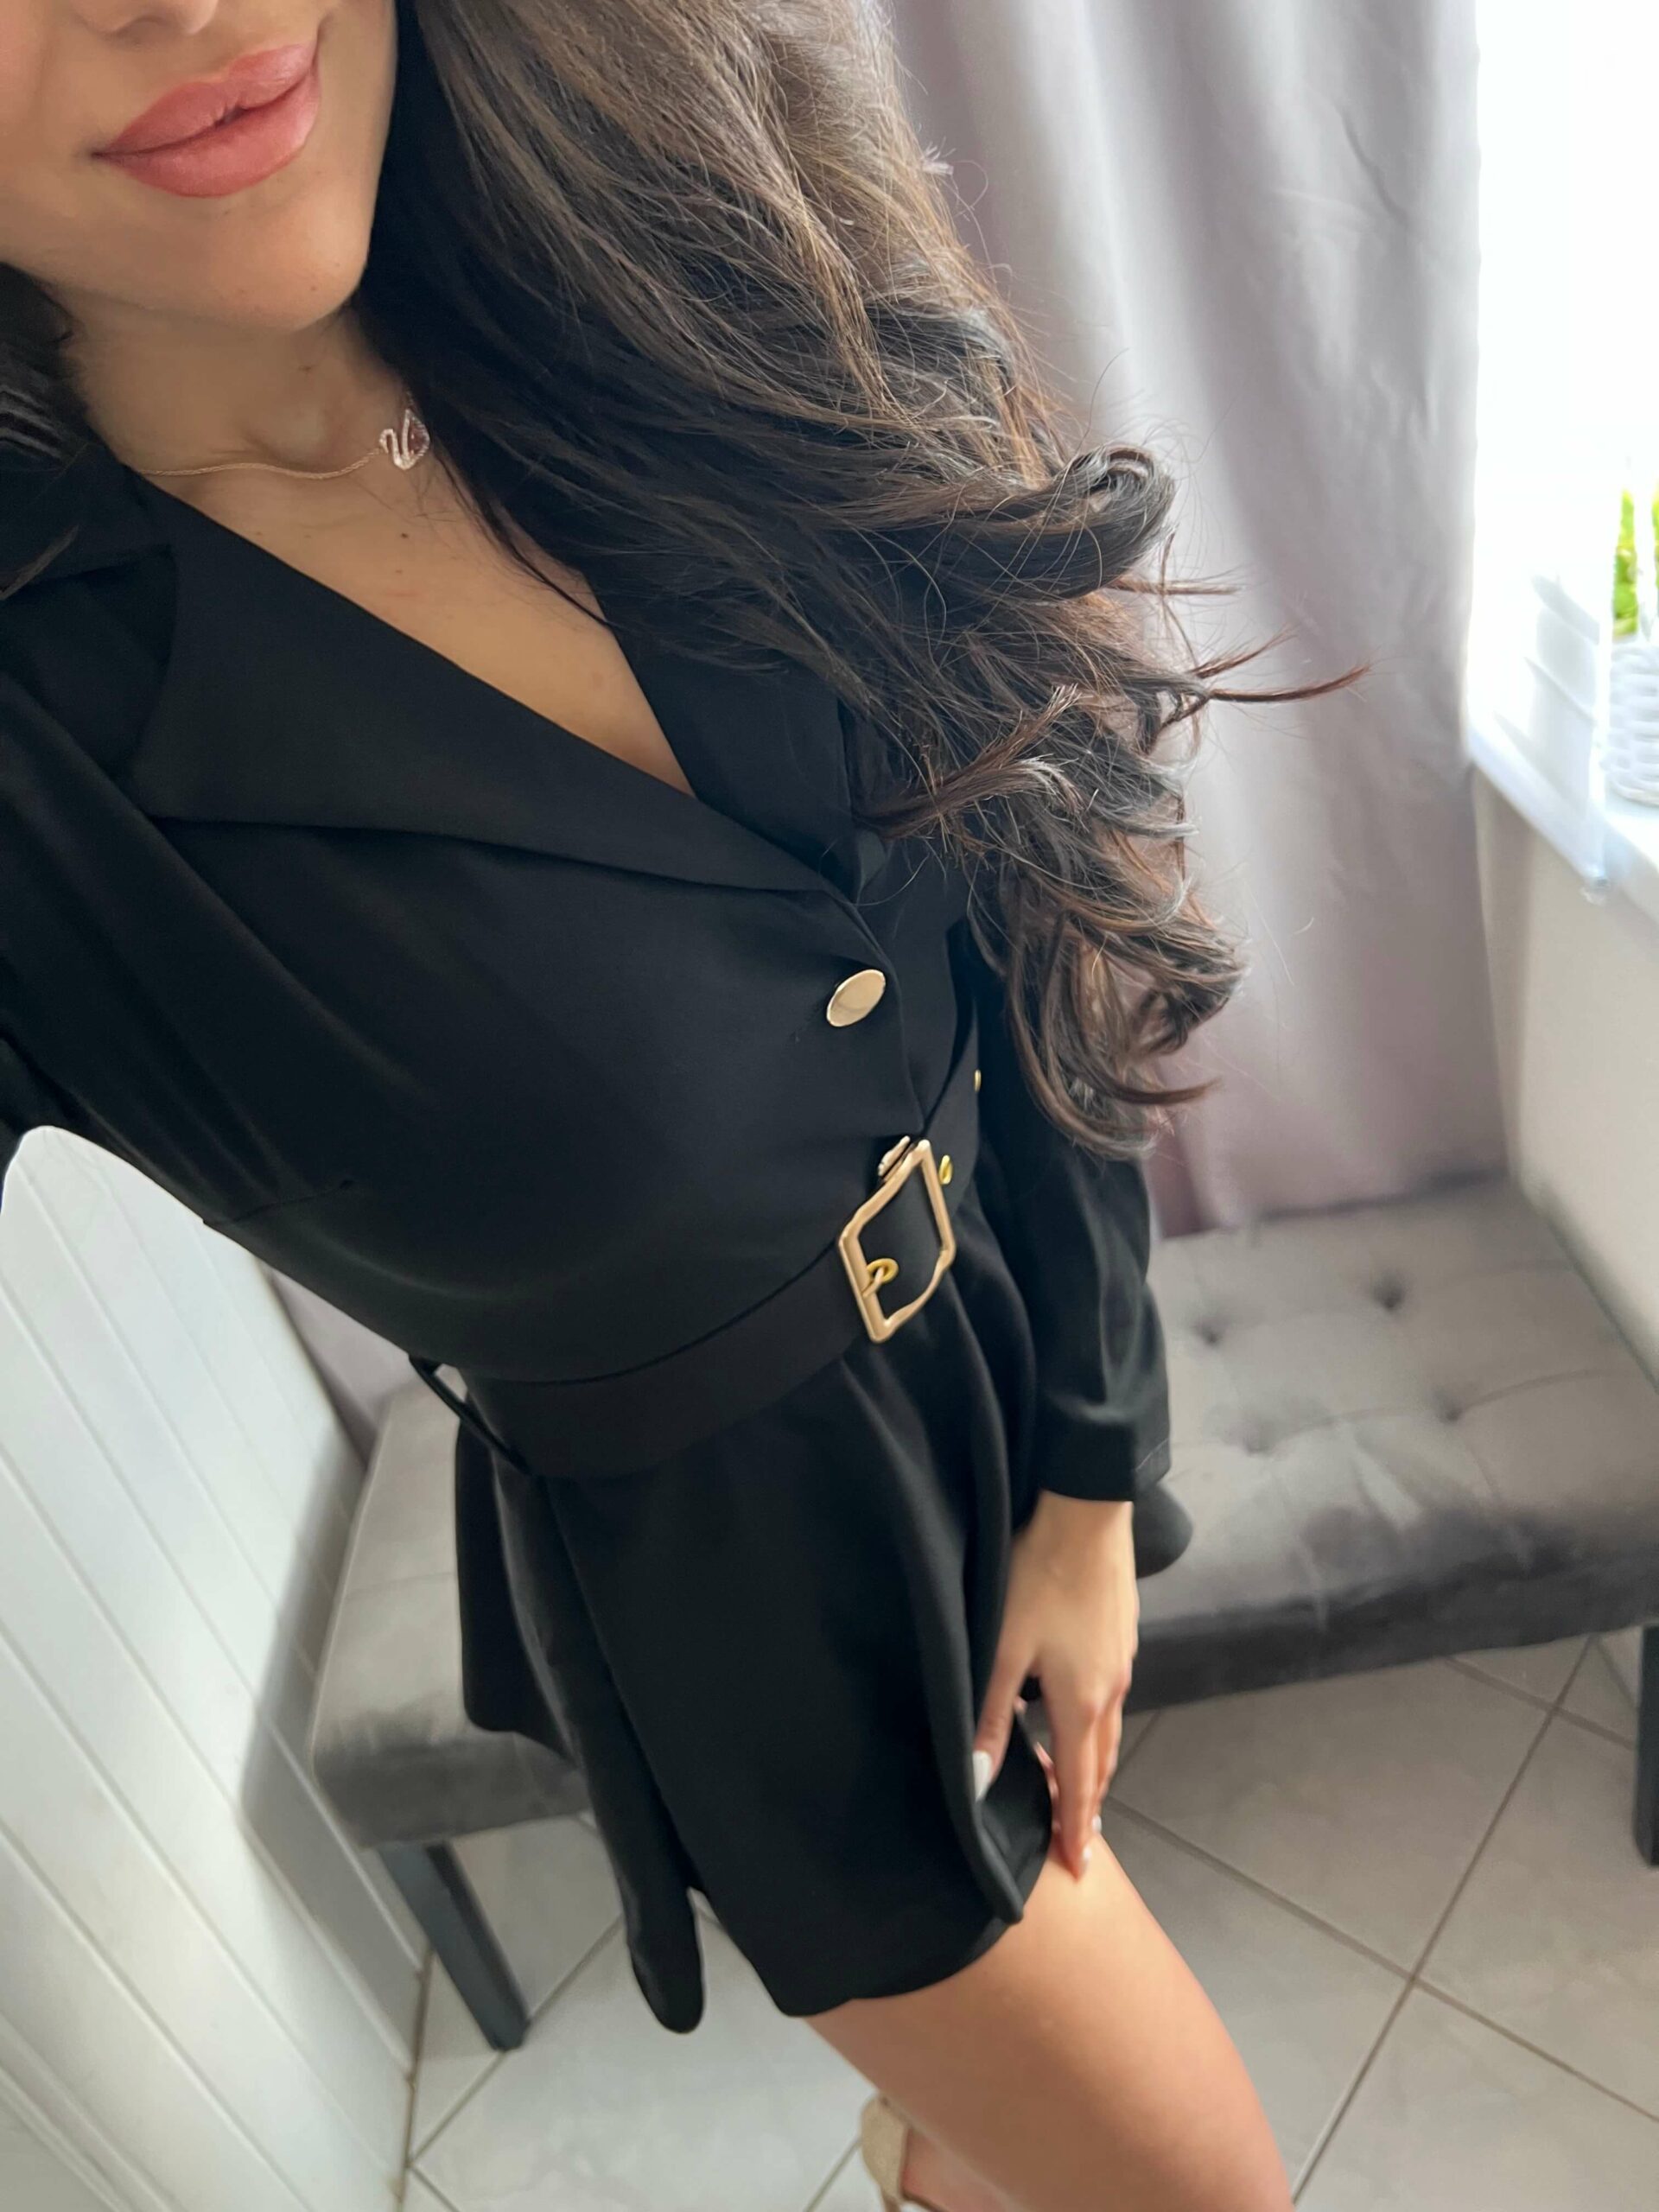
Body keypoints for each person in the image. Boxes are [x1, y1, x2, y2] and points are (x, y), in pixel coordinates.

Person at [0, 5, 1362, 2208]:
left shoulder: (694, 266)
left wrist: (1095, 1473)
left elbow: (1033, 884)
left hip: (1019, 1336)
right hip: (763, 1614)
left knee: (1013, 2133)